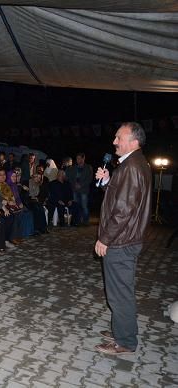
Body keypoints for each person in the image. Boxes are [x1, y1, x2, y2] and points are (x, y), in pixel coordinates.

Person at [94, 122, 152, 355]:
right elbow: (122, 198)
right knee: (119, 291)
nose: (114, 141)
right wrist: (108, 182)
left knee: (119, 294)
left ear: (133, 141)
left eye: (119, 137)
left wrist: (105, 238)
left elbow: (124, 210)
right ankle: (121, 331)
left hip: (121, 241)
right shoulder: (133, 164)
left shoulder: (132, 167)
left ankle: (125, 341)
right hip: (127, 239)